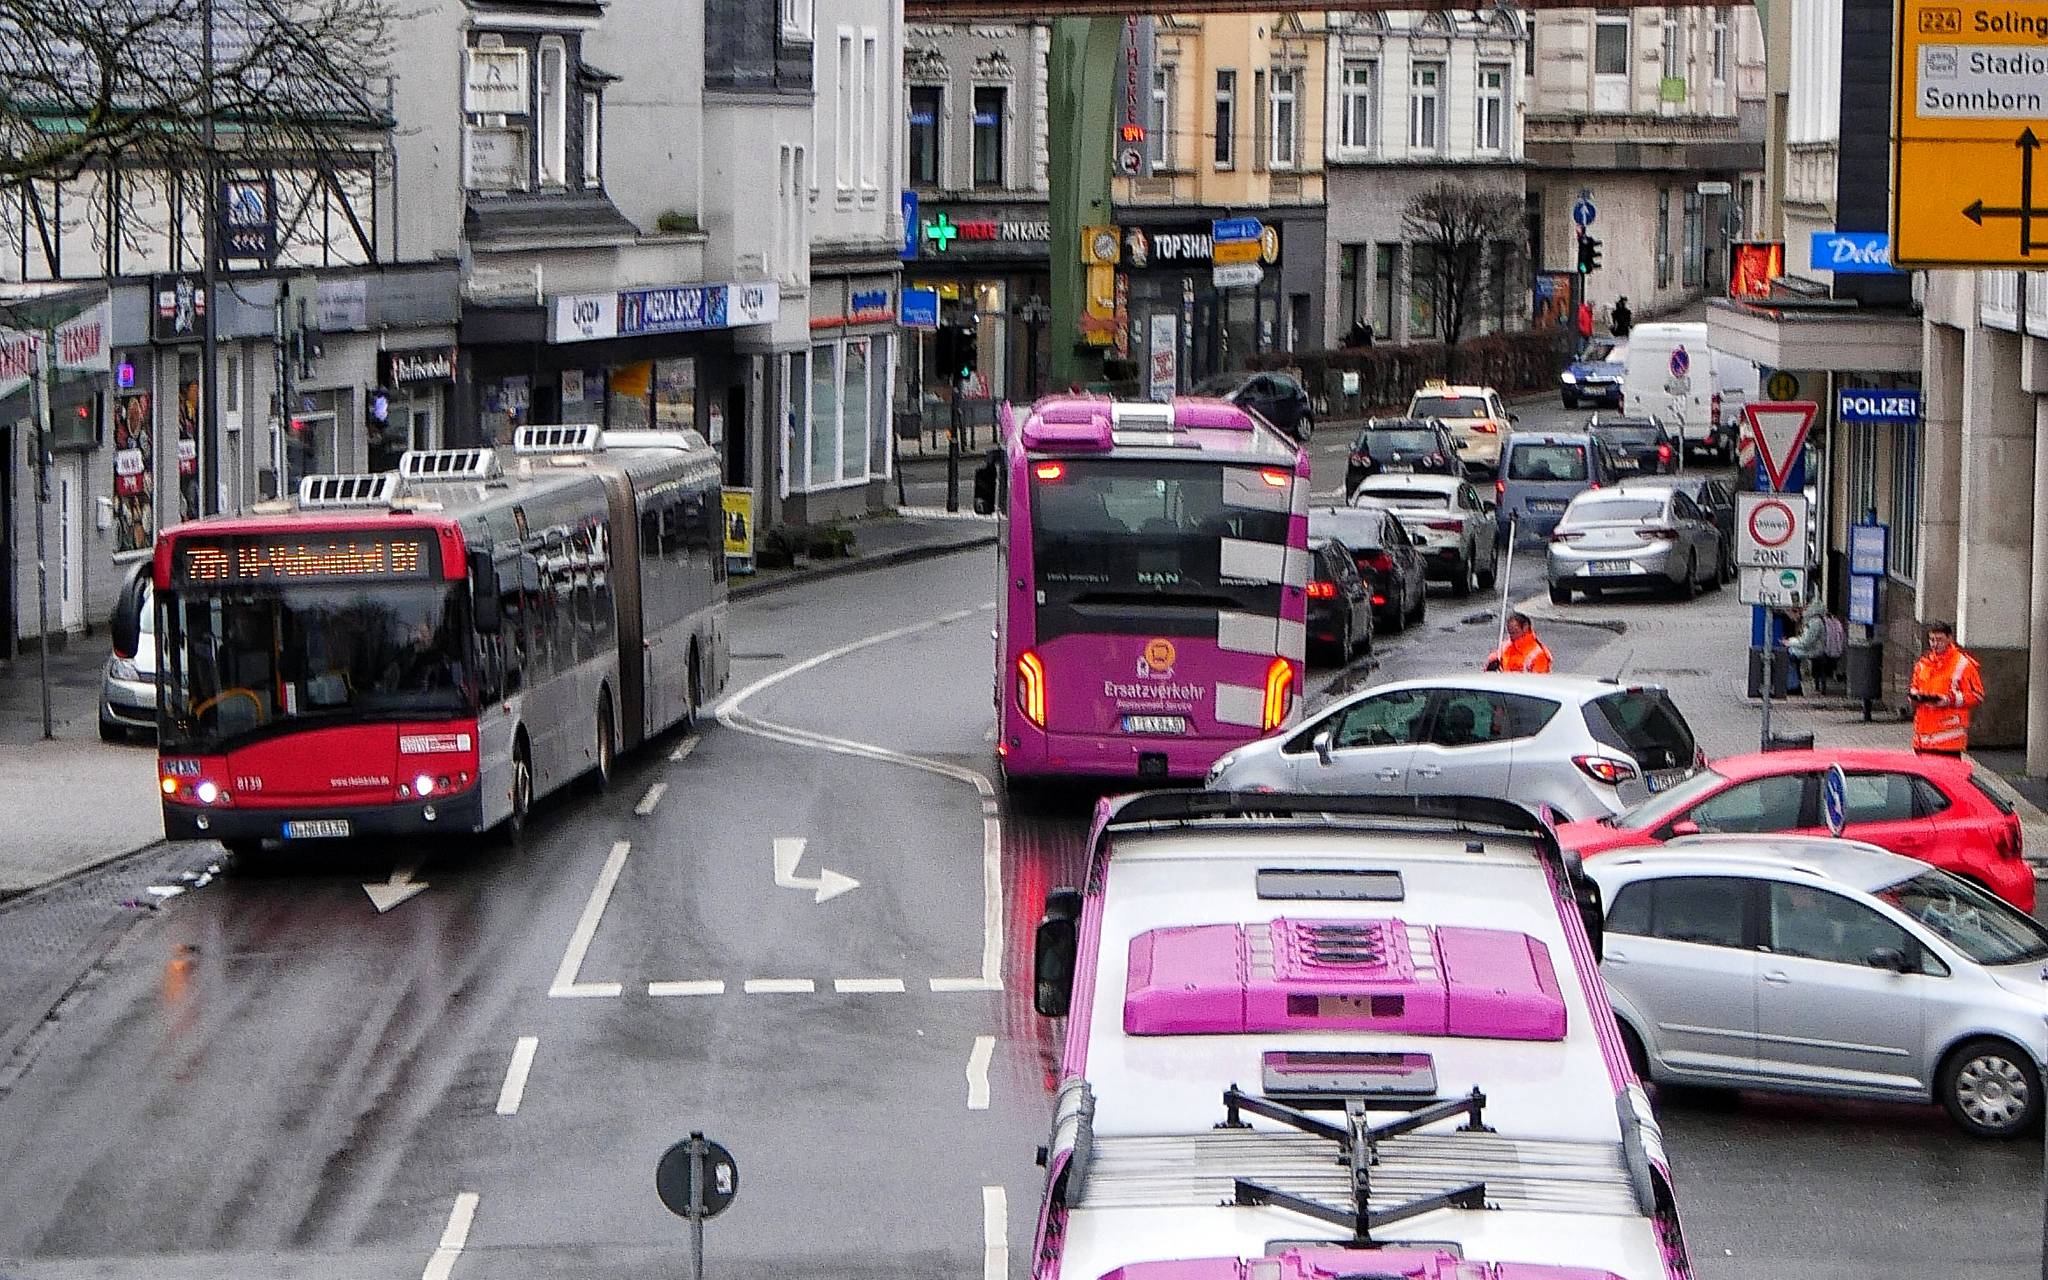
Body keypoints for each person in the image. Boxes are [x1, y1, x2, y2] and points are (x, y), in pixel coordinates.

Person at [1908, 620, 1984, 755]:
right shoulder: (1923, 664)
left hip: (1948, 742)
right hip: (1923, 739)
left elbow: (1977, 695)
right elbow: (1915, 687)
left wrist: (1950, 700)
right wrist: (1915, 698)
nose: (1935, 644)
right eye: (1932, 640)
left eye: (1939, 640)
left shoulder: (1963, 664)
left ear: (1950, 638)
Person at [1486, 612, 1553, 674]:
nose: (1510, 632)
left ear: (1525, 627)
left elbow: (1538, 684)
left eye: (1514, 631)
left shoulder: (1538, 655)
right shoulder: (1505, 646)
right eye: (1510, 632)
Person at [1781, 604, 1826, 694]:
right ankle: (1793, 684)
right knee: (1789, 654)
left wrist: (1789, 642)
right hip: (1812, 649)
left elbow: (1805, 642)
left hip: (1812, 650)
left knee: (1788, 655)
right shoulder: (1814, 621)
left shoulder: (1814, 622)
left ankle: (1793, 685)